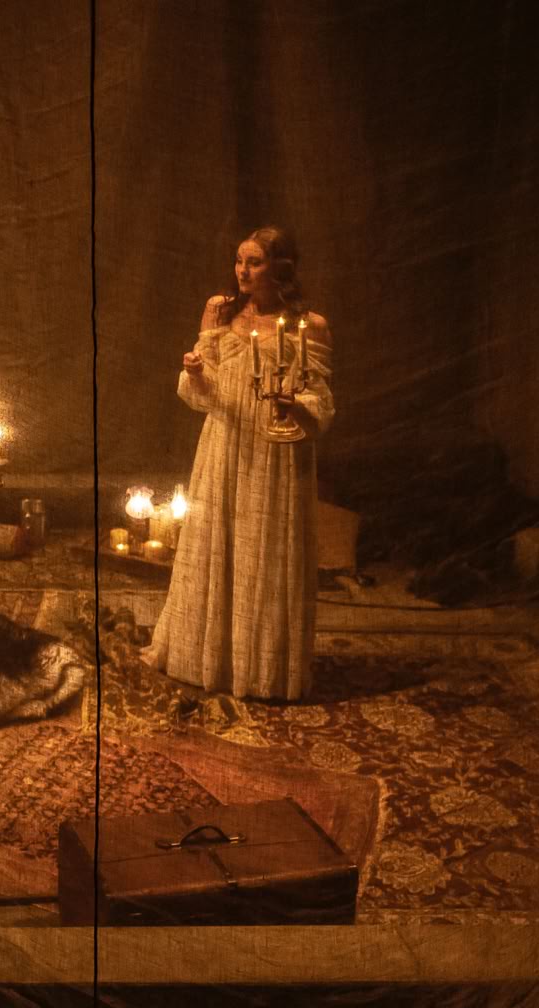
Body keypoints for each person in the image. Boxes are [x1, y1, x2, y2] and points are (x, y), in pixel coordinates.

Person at [144, 226, 335, 701]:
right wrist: (195, 373)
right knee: (217, 544)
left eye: (254, 262)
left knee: (265, 552)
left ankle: (262, 667)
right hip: (226, 445)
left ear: (280, 267)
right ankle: (206, 657)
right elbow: (203, 393)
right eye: (238, 261)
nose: (242, 271)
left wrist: (295, 406)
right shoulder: (220, 311)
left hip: (277, 451)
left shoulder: (308, 325)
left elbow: (320, 400)